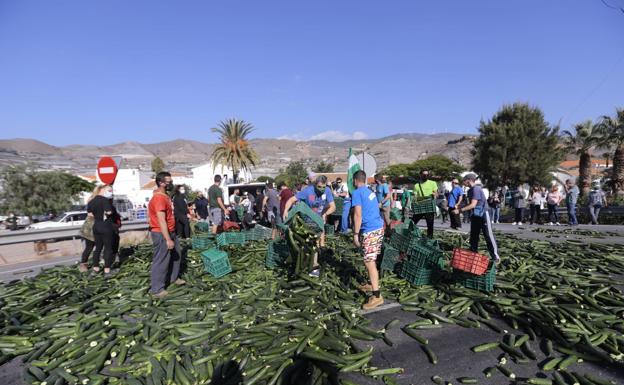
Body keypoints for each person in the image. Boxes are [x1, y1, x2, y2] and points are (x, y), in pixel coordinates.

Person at [283, 175, 336, 278]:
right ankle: (299, 264)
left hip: (318, 221)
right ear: (315, 185)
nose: (321, 189)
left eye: (323, 187)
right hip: (305, 221)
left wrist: (325, 214)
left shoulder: (328, 191)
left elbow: (333, 206)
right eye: (319, 187)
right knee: (302, 244)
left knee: (314, 244)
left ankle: (313, 266)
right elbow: (291, 200)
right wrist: (285, 210)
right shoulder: (307, 191)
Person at [351, 170, 385, 310]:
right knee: (371, 259)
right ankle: (372, 284)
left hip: (370, 230)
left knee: (368, 261)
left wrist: (355, 234)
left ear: (354, 180)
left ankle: (377, 296)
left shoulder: (357, 193)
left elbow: (357, 215)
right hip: (377, 227)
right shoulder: (369, 191)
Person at [148, 171, 185, 299]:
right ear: (161, 183)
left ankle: (173, 278)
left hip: (170, 231)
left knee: (177, 254)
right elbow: (161, 219)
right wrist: (168, 238)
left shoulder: (165, 196)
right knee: (161, 260)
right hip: (161, 232)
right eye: (168, 182)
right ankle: (157, 289)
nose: (171, 184)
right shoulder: (158, 198)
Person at [456, 174, 500, 262]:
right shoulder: (469, 191)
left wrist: (460, 210)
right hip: (475, 215)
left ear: (469, 180)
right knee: (474, 236)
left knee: (488, 235)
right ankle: (473, 254)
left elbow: (473, 205)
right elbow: (469, 204)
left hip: (483, 214)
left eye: (464, 181)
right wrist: (458, 206)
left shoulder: (476, 189)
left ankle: (495, 257)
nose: (463, 183)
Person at [87, 184, 116, 277]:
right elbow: (109, 212)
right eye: (109, 191)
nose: (110, 193)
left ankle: (95, 269)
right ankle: (107, 270)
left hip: (96, 226)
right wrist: (107, 214)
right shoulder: (104, 200)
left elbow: (90, 214)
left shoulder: (92, 201)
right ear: (102, 190)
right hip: (106, 226)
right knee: (108, 248)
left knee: (98, 248)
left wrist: (98, 215)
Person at [412, 170, 438, 238]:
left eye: (427, 174)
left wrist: (434, 194)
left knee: (430, 225)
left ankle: (429, 238)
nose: (425, 176)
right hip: (420, 207)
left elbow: (436, 193)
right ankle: (410, 235)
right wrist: (414, 202)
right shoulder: (416, 185)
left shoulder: (433, 183)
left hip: (429, 206)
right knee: (412, 223)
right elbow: (415, 197)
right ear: (420, 175)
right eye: (424, 174)